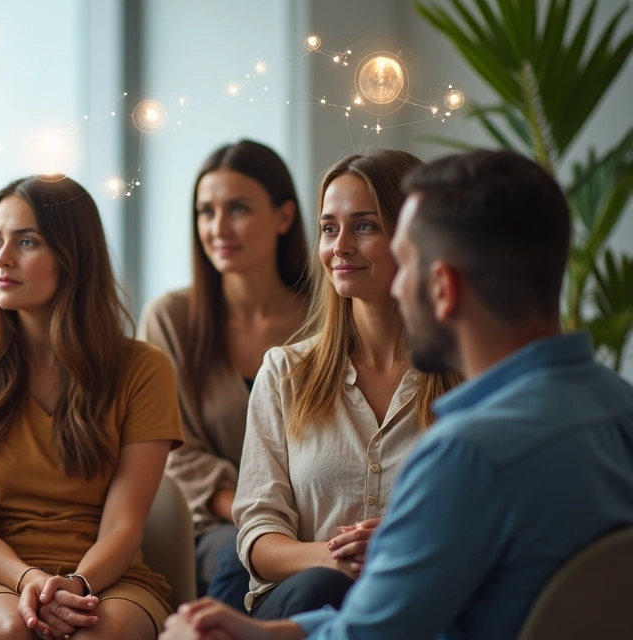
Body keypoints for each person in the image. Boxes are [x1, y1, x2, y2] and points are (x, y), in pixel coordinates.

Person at [160, 149, 633, 640]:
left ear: (443, 287)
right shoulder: (619, 404)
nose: (398, 288)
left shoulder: (467, 455)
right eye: (329, 228)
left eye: (406, 263)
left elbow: (368, 635)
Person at [0, 176, 184, 640]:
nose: (2, 257)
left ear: (72, 255)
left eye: (26, 241)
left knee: (98, 634)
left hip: (110, 579)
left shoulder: (145, 369)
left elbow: (124, 526)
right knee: (9, 632)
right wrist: (31, 582)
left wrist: (75, 585)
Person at [231, 150, 460, 620]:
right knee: (323, 587)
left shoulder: (465, 374)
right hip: (303, 603)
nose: (340, 246)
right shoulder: (283, 373)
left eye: (365, 226)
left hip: (420, 598)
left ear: (414, 238)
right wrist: (337, 558)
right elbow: (258, 535)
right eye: (329, 228)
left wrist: (401, 549)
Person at [140, 140, 310, 610]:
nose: (218, 228)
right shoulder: (171, 318)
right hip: (217, 523)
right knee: (240, 557)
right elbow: (174, 453)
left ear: (283, 217)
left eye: (237, 209)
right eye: (205, 212)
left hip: (319, 520)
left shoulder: (328, 317)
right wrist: (257, 518)